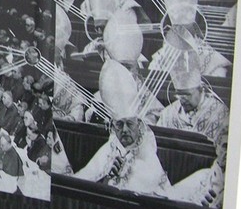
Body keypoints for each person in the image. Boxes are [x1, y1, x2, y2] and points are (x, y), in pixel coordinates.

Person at [73, 60, 171, 195]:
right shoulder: (111, 147)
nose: (124, 130)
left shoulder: (146, 151)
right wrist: (107, 178)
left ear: (138, 125)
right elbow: (83, 181)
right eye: (119, 125)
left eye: (129, 124)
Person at [156, 52, 230, 144]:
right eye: (179, 94)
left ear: (201, 90)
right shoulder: (168, 114)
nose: (183, 99)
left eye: (187, 94)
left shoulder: (220, 113)